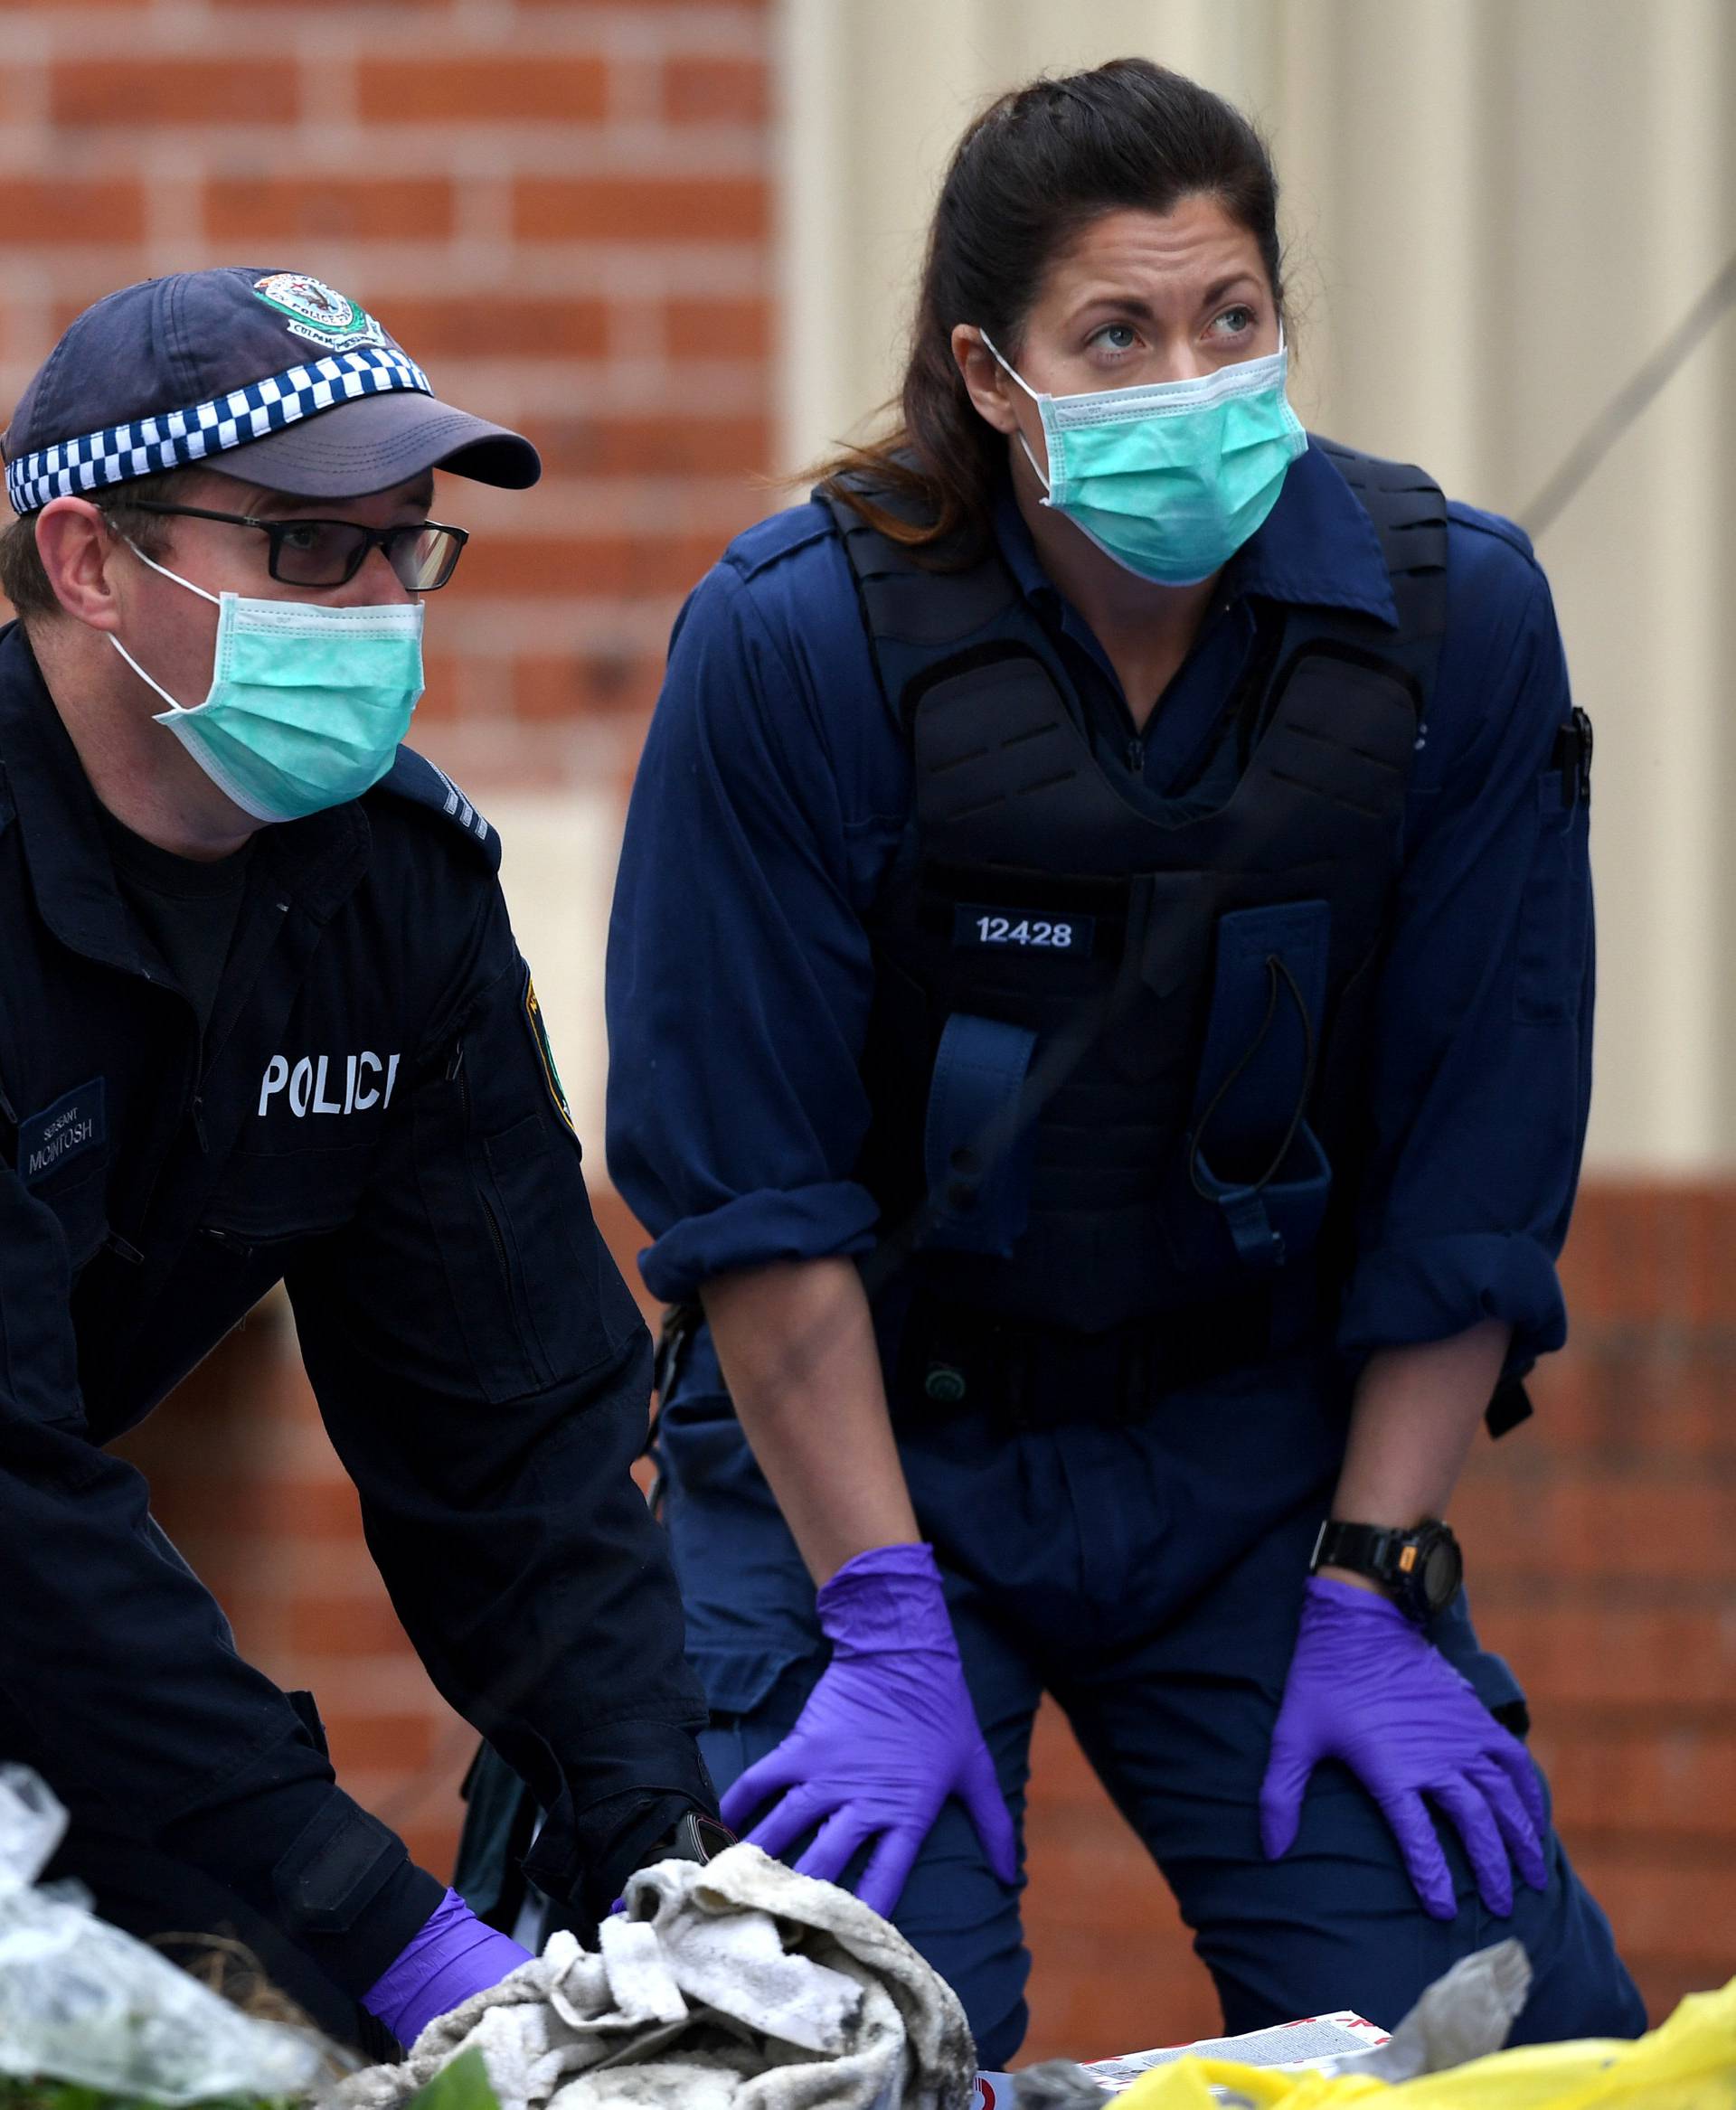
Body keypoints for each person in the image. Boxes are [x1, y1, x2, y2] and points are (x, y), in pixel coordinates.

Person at [598, 61, 1646, 2064]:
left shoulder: (1454, 627)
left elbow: (1477, 1159)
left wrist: (1375, 1571)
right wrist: (882, 1622)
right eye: (1120, 333)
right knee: (842, 2057)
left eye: (1231, 318)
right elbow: (749, 1193)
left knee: (1507, 2040)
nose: (1194, 376)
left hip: (1263, 1473)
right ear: (995, 377)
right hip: (866, 1473)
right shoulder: (796, 644)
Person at [0, 268, 716, 2056]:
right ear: (90, 561)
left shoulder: (393, 895)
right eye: (315, 552)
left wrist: (679, 1870)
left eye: (408, 547)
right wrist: (378, 1922)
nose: (386, 604)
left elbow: (519, 1442)